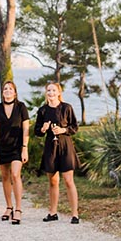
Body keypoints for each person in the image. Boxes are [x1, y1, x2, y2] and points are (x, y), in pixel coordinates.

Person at [34, 81, 80, 224]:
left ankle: (75, 214)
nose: (51, 93)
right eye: (48, 90)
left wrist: (63, 130)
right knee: (53, 181)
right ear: (46, 93)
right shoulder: (42, 110)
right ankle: (53, 213)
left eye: (54, 90)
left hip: (65, 146)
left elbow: (75, 127)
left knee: (68, 180)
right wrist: (43, 128)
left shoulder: (67, 108)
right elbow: (37, 131)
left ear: (59, 92)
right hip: (50, 147)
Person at [0, 80, 30, 225]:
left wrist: (24, 148)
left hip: (17, 147)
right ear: (3, 93)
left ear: (15, 92)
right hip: (2, 147)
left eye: (10, 89)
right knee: (5, 176)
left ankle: (19, 208)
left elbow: (26, 129)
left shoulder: (21, 107)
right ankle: (9, 207)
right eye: (5, 89)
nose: (7, 91)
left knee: (15, 174)